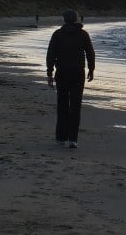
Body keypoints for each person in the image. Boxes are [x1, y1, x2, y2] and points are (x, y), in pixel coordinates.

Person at [46, 10, 95, 148]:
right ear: (76, 19)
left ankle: (61, 137)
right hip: (78, 73)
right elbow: (90, 53)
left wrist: (49, 72)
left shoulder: (58, 34)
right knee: (75, 105)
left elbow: (51, 54)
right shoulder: (83, 34)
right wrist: (91, 69)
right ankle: (73, 139)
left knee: (62, 104)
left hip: (62, 72)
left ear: (64, 19)